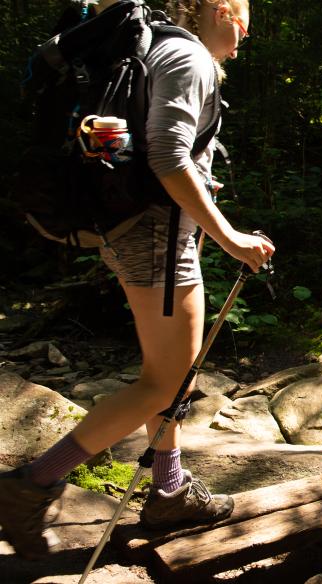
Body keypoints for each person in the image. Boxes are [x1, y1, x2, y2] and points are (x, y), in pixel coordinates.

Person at [0, 0, 274, 559]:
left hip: (135, 229)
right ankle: (31, 487)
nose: (244, 38)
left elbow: (152, 153)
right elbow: (168, 158)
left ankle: (169, 490)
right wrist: (232, 238)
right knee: (168, 382)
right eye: (243, 22)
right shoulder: (189, 56)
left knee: (166, 374)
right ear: (219, 10)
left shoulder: (153, 48)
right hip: (154, 236)